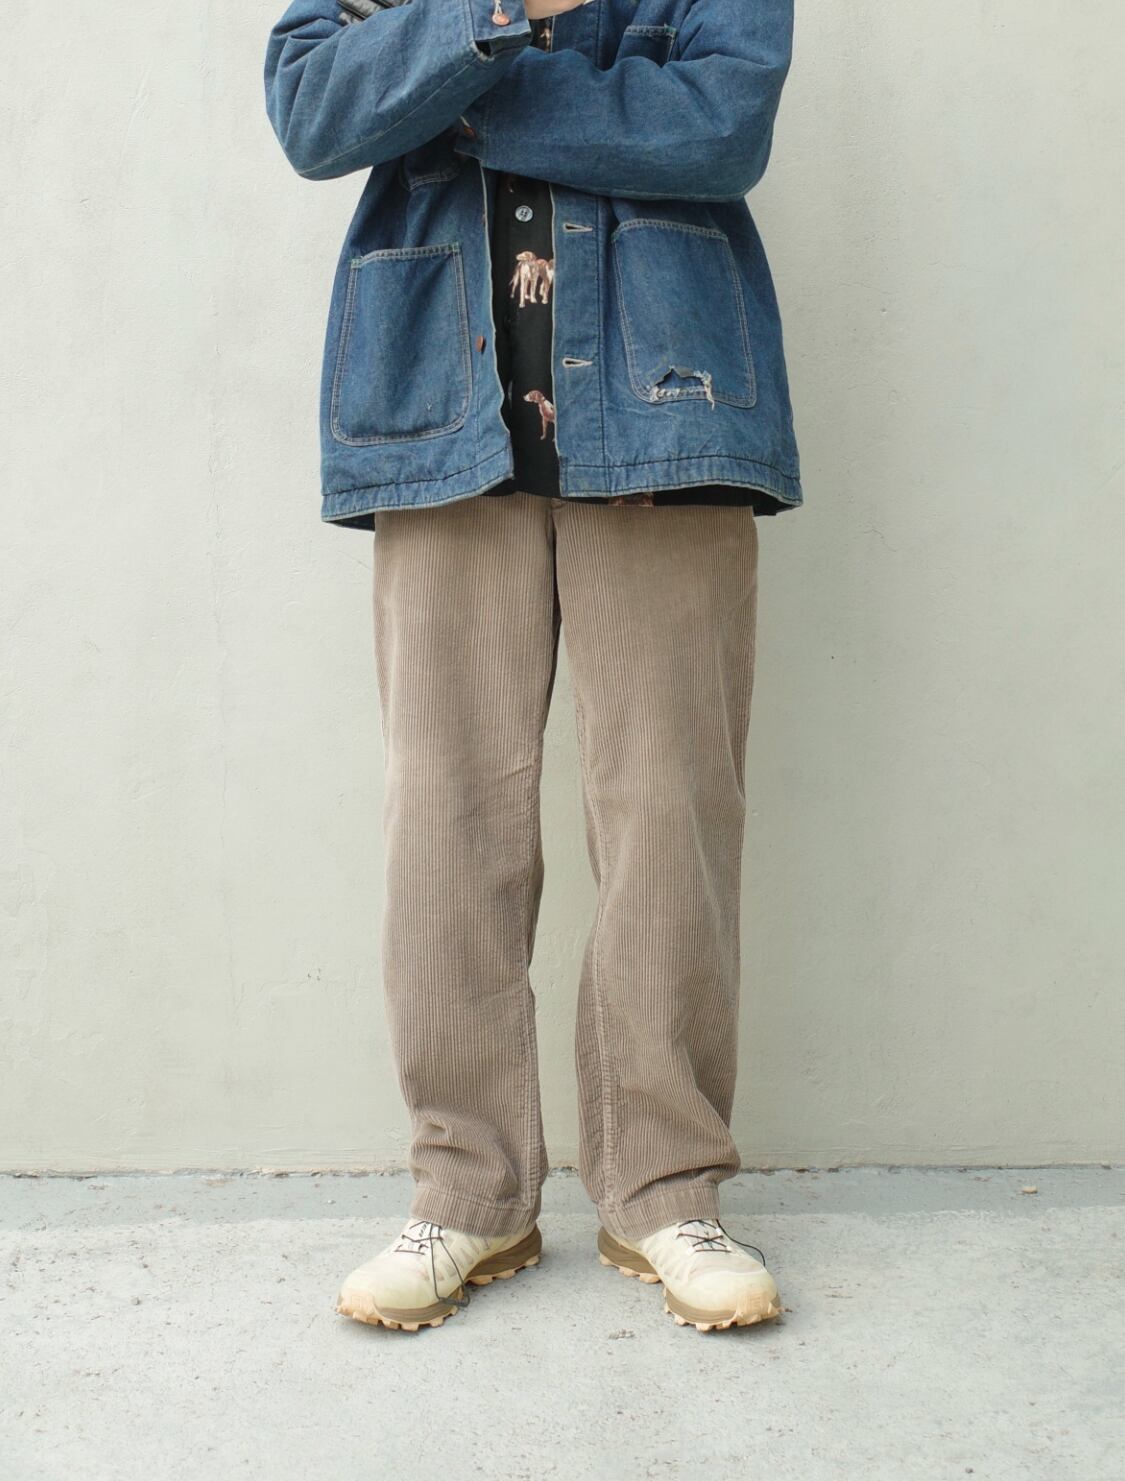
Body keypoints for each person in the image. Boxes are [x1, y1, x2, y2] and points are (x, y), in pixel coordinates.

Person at [264, 0, 802, 1332]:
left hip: (670, 407)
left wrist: (454, 93)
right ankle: (468, 1192)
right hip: (437, 414)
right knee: (444, 815)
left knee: (669, 808)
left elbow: (722, 126)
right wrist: (499, 12)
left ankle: (664, 1188)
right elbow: (315, 112)